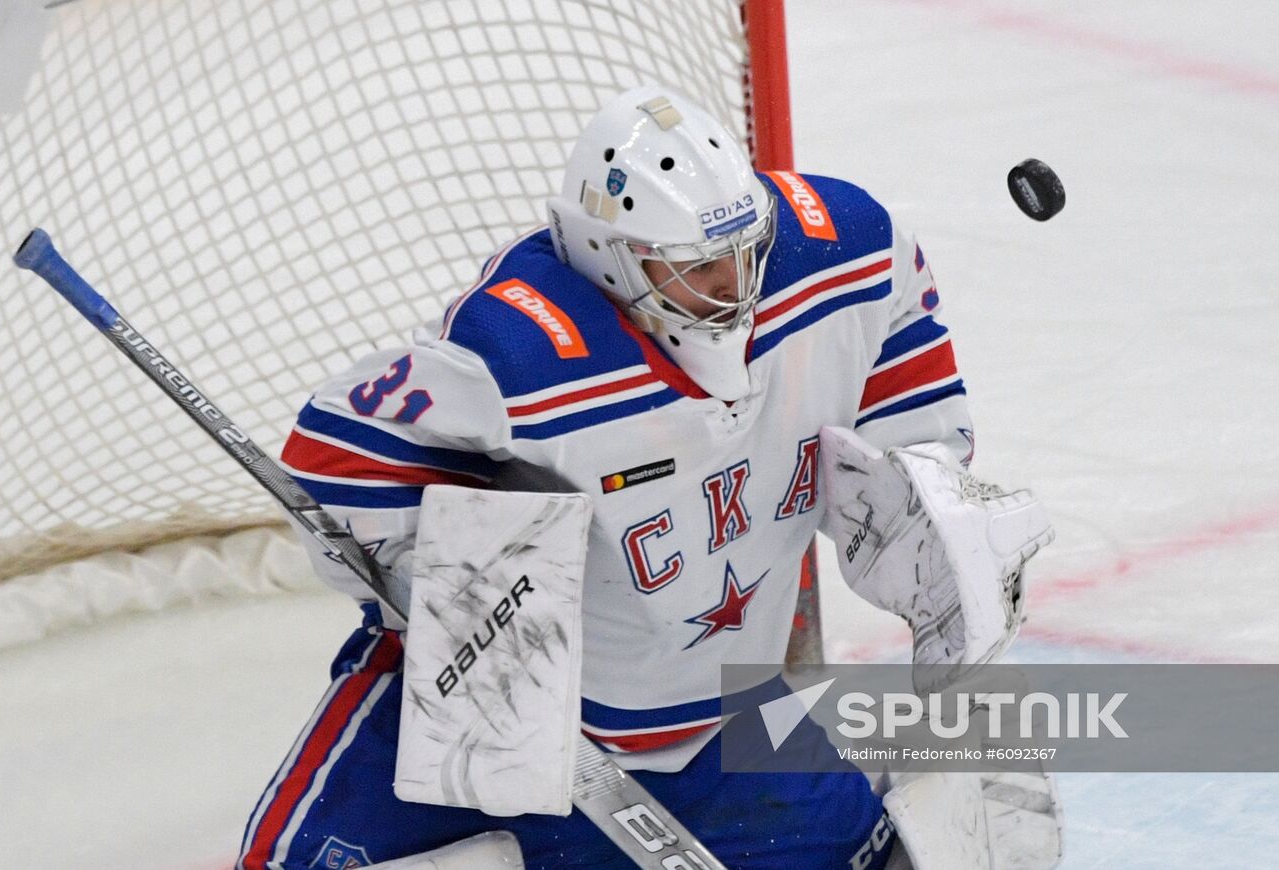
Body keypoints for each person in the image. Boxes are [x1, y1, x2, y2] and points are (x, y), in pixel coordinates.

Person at [237, 84, 978, 870]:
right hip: (493, 713)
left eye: (742, 252)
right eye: (696, 269)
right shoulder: (524, 353)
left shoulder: (841, 253)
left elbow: (901, 325)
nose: (734, 288)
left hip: (727, 713)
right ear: (605, 256)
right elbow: (337, 453)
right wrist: (438, 586)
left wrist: (923, 490)